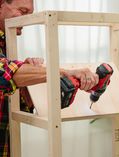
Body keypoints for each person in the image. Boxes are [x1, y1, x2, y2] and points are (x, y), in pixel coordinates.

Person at [0, 0, 99, 156]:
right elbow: (3, 74)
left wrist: (28, 76)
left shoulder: (6, 43)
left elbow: (14, 100)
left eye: (29, 14)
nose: (25, 20)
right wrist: (64, 72)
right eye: (22, 11)